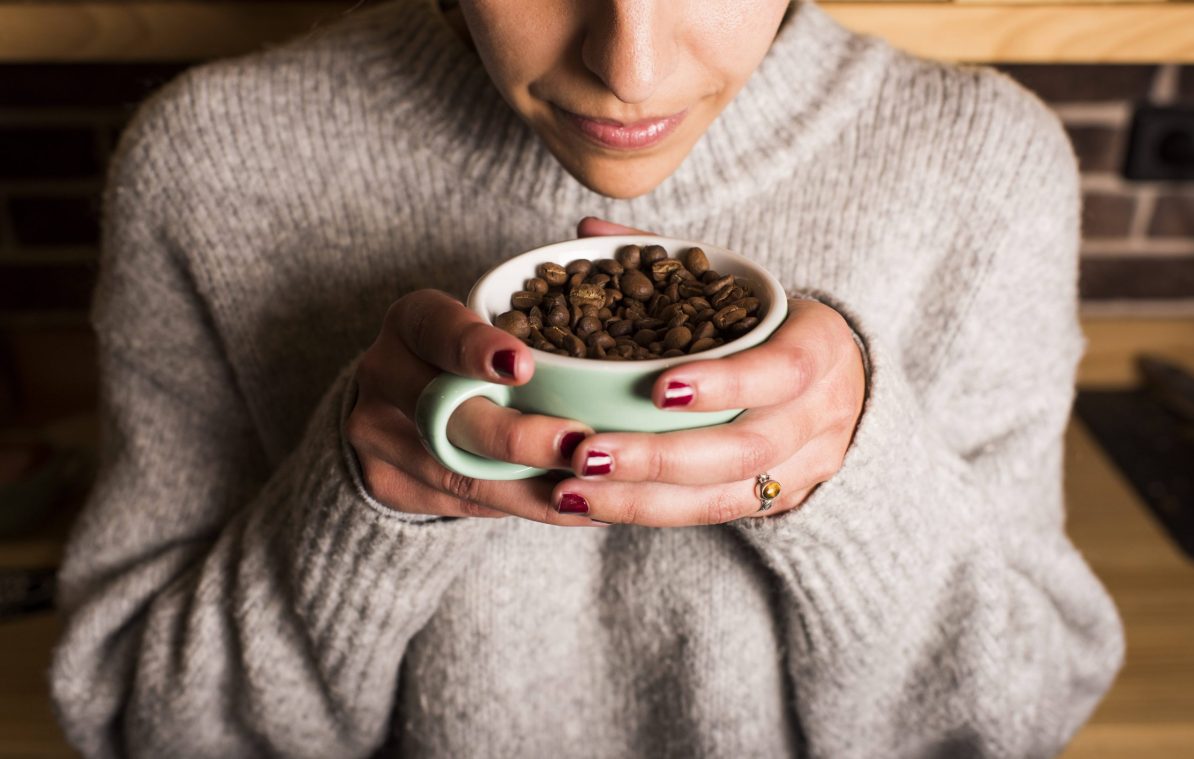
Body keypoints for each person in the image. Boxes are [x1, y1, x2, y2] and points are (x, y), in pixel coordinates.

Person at [50, 0, 1124, 756]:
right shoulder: (209, 160)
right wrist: (357, 505)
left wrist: (858, 482)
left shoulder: (984, 162)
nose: (632, 68)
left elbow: (1016, 720)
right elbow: (139, 722)